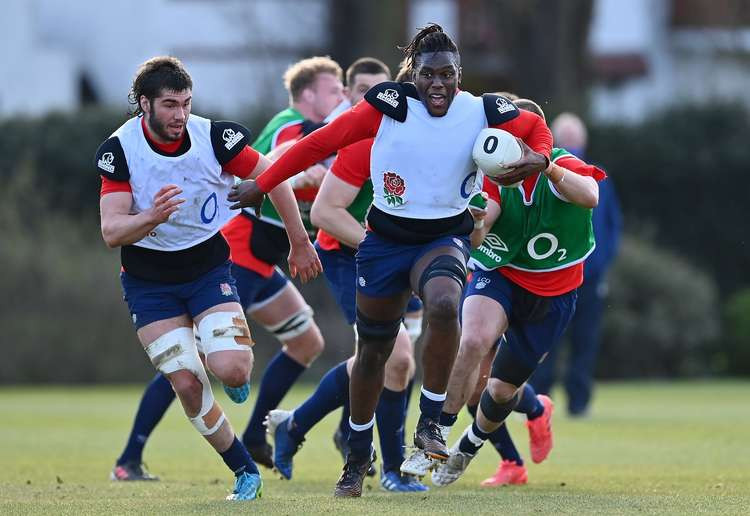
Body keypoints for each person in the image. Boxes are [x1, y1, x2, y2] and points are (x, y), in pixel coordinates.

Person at [228, 24, 552, 497]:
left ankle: (431, 424)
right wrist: (262, 182)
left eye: (447, 75)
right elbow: (319, 144)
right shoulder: (389, 106)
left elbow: (536, 126)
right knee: (375, 354)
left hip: (444, 236)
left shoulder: (481, 111)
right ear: (412, 74)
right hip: (384, 243)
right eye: (428, 74)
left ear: (459, 74)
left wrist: (540, 160)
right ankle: (358, 455)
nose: (438, 84)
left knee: (444, 304)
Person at [109, 56, 343, 478]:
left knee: (302, 342)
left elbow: (271, 175)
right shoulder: (297, 128)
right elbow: (111, 230)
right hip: (225, 256)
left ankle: (252, 426)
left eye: (186, 103)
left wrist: (298, 238)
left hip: (226, 261)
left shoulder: (216, 135)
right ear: (143, 104)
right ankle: (132, 456)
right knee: (186, 371)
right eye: (336, 90)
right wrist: (151, 218)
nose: (181, 114)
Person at [264, 57, 427, 492]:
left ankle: (300, 426)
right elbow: (315, 201)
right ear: (353, 94)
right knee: (394, 356)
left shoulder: (419, 132)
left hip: (398, 255)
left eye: (382, 88)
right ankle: (390, 468)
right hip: (348, 254)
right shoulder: (355, 133)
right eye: (363, 90)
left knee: (392, 360)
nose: (376, 98)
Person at [429, 95, 606, 487]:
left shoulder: (558, 162)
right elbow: (480, 231)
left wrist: (548, 168)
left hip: (554, 293)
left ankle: (469, 447)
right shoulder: (490, 175)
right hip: (502, 275)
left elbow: (590, 195)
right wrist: (474, 223)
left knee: (500, 389)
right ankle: (435, 433)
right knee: (473, 341)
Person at [529, 112, 622, 416]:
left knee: (585, 340)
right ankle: (539, 400)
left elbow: (611, 224)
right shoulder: (545, 175)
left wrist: (602, 262)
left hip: (590, 274)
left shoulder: (598, 177)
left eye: (574, 137)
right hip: (554, 270)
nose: (571, 143)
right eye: (565, 137)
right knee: (548, 338)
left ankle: (578, 402)